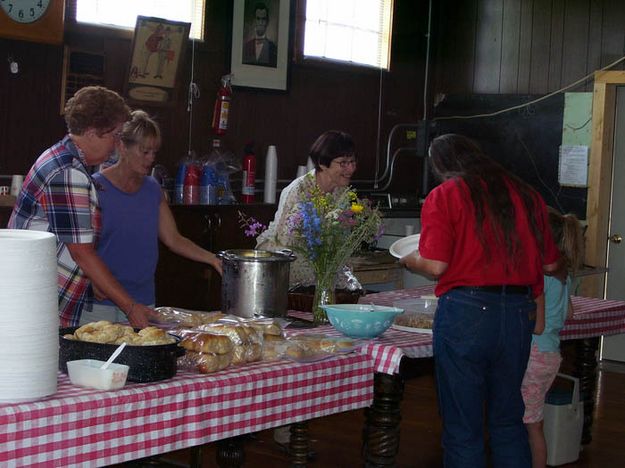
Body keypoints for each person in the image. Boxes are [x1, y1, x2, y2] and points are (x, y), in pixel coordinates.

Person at [400, 134, 561, 467]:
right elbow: (549, 265)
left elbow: (435, 266)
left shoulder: (445, 195)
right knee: (507, 422)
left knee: (464, 428)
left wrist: (408, 259)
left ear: (441, 166)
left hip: (466, 314)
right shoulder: (527, 195)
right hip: (518, 313)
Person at [9, 86, 155, 328]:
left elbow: (69, 238)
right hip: (37, 300)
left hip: (32, 294)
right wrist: (130, 307)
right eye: (115, 135)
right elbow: (82, 252)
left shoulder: (59, 156)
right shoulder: (68, 172)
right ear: (91, 133)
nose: (117, 144)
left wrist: (94, 280)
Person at [82, 110, 223, 324]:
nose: (151, 158)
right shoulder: (95, 187)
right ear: (122, 146)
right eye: (144, 151)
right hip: (102, 302)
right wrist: (89, 277)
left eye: (154, 152)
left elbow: (174, 239)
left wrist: (212, 259)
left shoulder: (152, 189)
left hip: (143, 301)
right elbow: (78, 248)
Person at [521, 208, 583, 468]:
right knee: (532, 420)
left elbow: (538, 325)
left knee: (532, 425)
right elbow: (568, 312)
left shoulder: (541, 277)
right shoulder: (564, 276)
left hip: (534, 356)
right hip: (551, 355)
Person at [256, 130, 358, 288]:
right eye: (343, 163)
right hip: (287, 263)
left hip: (322, 262)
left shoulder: (341, 191)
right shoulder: (299, 191)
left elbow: (339, 241)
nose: (350, 169)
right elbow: (286, 244)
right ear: (323, 163)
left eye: (352, 162)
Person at [242, 2, 278, 67]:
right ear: (254, 21)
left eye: (263, 19)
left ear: (267, 22)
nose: (260, 22)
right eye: (258, 19)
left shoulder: (274, 49)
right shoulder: (246, 47)